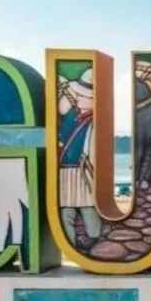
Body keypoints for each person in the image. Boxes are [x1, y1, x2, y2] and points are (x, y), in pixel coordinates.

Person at [57, 69, 102, 250]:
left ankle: (94, 237)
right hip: (65, 168)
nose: (77, 98)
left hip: (83, 168)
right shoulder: (69, 118)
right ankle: (71, 244)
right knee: (66, 209)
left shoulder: (94, 121)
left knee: (87, 205)